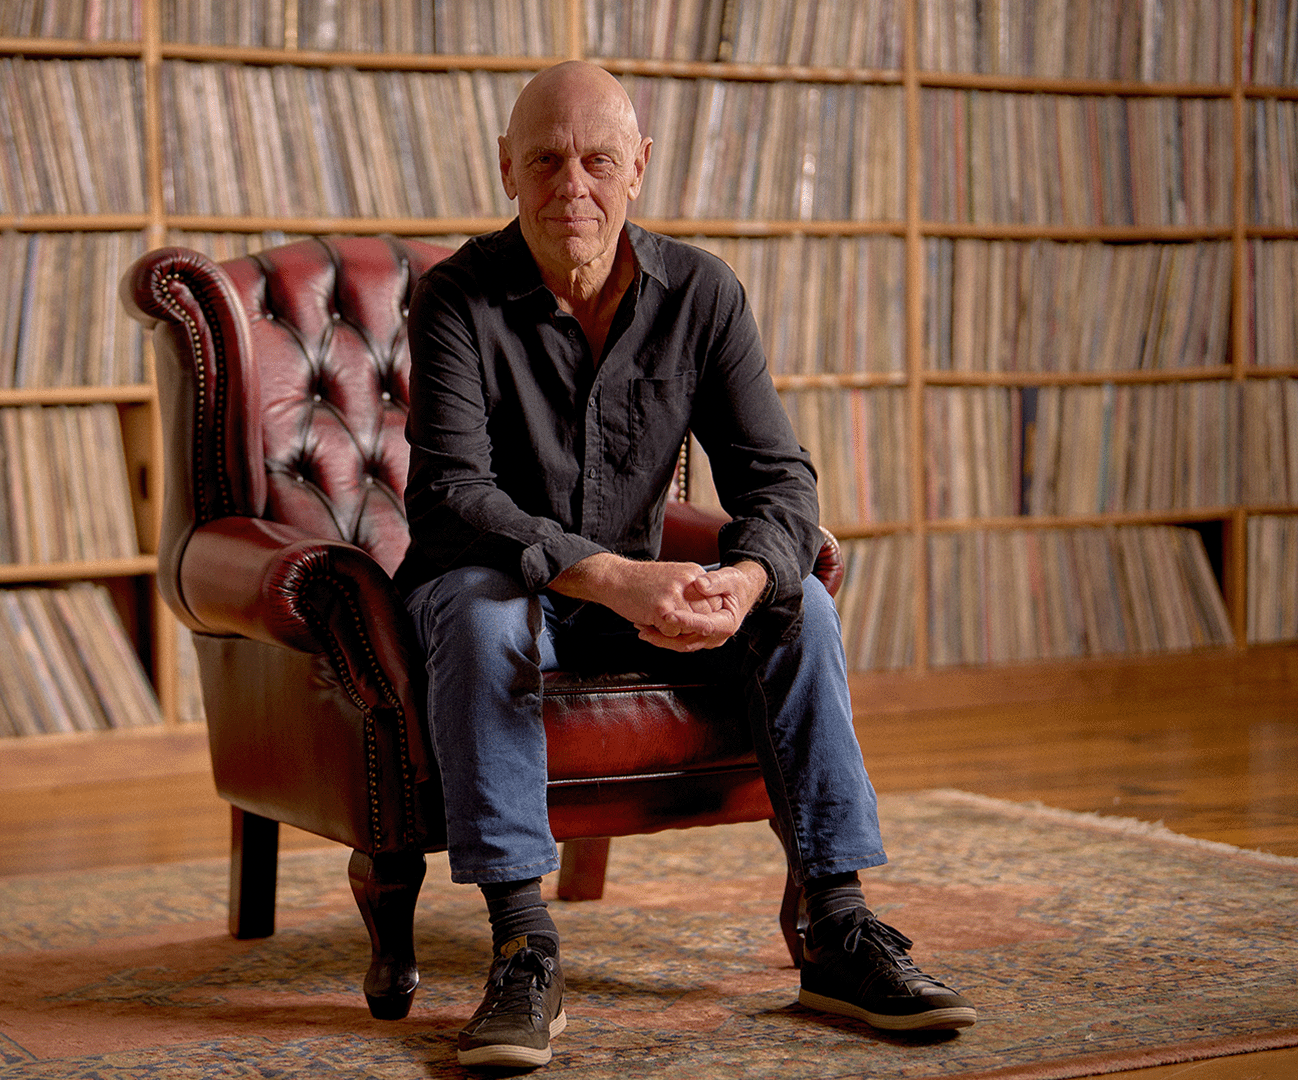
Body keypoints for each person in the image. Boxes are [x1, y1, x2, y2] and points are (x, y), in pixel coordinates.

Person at [394, 60, 977, 1070]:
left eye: (597, 160)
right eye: (545, 159)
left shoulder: (702, 292)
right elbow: (454, 494)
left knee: (800, 606)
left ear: (639, 170)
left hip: (638, 594)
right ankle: (524, 946)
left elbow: (782, 482)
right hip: (500, 581)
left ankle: (836, 926)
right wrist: (612, 574)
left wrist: (745, 581)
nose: (571, 184)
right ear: (505, 168)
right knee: (486, 611)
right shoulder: (455, 299)